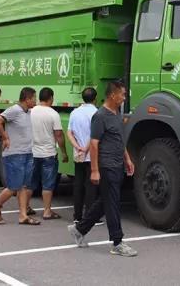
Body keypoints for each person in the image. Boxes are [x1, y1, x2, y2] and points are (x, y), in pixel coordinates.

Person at [68, 81, 137, 257]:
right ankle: (117, 242)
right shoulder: (100, 116)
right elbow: (94, 143)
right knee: (113, 203)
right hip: (107, 166)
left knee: (105, 201)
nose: (124, 97)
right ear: (112, 95)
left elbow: (119, 140)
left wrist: (127, 159)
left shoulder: (116, 114)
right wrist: (94, 170)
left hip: (118, 164)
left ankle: (79, 229)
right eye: (122, 94)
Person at [0, 87, 39, 225]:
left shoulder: (28, 112)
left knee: (23, 186)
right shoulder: (14, 110)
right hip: (14, 154)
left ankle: (23, 215)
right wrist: (5, 137)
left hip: (27, 153)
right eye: (34, 98)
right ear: (27, 99)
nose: (36, 101)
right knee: (13, 187)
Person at [31, 87, 68, 220]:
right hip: (48, 154)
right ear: (51, 98)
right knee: (48, 184)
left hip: (33, 153)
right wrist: (64, 152)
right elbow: (59, 135)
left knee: (30, 182)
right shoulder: (53, 114)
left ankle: (25, 208)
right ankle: (47, 211)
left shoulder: (31, 111)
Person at [68, 87, 103, 224]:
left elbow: (69, 133)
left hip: (78, 154)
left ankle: (77, 216)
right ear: (95, 98)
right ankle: (90, 216)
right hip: (91, 155)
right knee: (91, 186)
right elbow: (94, 135)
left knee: (78, 184)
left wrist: (77, 147)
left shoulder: (74, 112)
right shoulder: (96, 113)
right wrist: (86, 148)